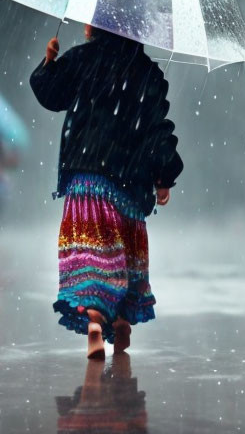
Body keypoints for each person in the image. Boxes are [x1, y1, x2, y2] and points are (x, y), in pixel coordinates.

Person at [31, 25, 183, 359]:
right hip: (129, 182)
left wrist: (48, 63)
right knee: (124, 258)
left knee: (92, 254)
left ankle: (96, 319)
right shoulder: (149, 74)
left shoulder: (83, 58)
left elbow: (51, 94)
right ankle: (123, 319)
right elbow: (159, 130)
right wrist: (163, 176)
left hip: (86, 178)